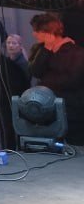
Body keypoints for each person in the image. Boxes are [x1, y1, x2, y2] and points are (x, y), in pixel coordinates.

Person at [27, 12, 84, 144]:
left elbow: (73, 79)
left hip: (70, 109)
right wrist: (46, 49)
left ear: (48, 32)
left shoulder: (75, 52)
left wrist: (45, 84)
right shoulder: (41, 50)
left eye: (37, 31)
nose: (34, 34)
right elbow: (34, 71)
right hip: (49, 107)